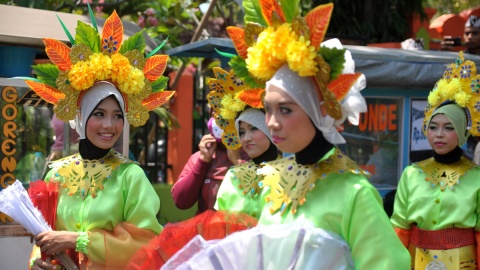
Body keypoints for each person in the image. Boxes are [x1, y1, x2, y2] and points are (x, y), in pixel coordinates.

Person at [166, 2, 410, 269]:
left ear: (318, 110)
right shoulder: (272, 182)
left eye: (285, 110)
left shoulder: (353, 192)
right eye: (268, 110)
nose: (272, 123)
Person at [23, 8, 174, 269]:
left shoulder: (131, 177)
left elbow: (147, 243)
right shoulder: (55, 175)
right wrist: (41, 262)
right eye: (99, 114)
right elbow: (42, 239)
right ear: (80, 118)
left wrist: (78, 240)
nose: (109, 125)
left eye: (117, 116)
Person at [390, 52, 480, 269]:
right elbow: (399, 229)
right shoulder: (412, 174)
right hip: (415, 261)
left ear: (462, 132)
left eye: (449, 128)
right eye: (433, 127)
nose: (439, 134)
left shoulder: (477, 177)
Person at [204, 67, 280, 218]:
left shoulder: (290, 174)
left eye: (254, 128)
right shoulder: (232, 176)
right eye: (242, 132)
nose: (246, 138)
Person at [171, 116, 248, 215]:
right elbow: (180, 201)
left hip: (245, 229)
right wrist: (203, 161)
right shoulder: (202, 156)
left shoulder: (254, 153)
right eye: (216, 113)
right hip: (207, 228)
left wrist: (238, 162)